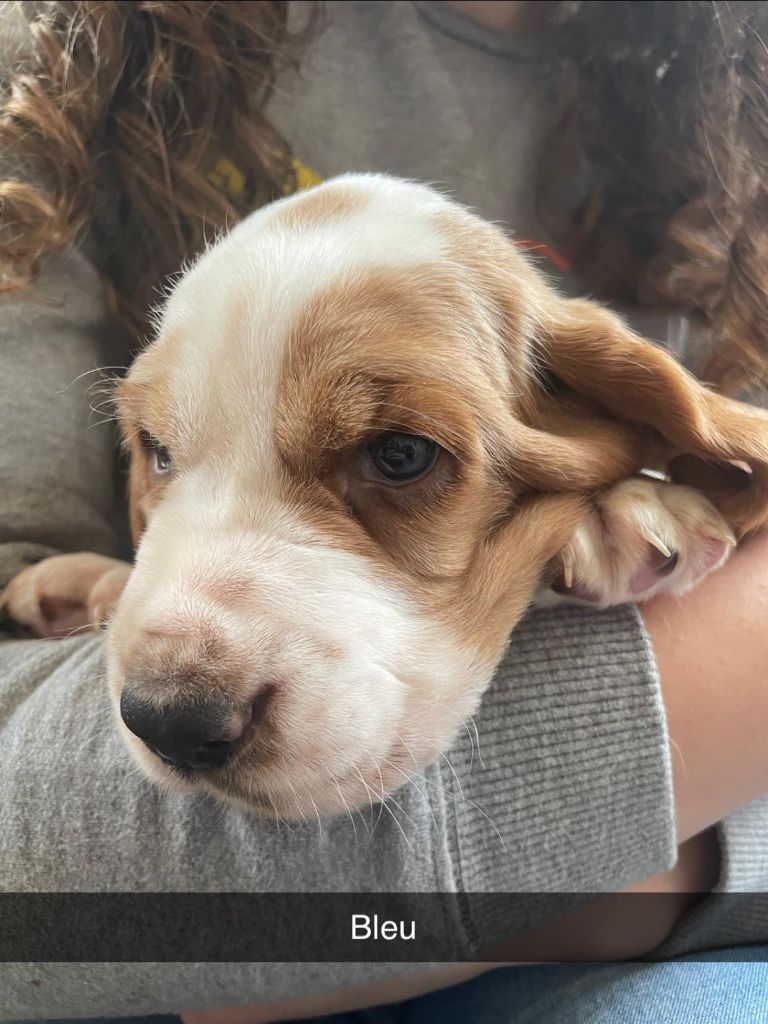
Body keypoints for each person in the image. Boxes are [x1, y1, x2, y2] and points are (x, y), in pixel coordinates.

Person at [1, 1, 767, 1020]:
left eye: (398, 457)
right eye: (164, 449)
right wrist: (629, 872)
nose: (174, 678)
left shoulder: (733, 111)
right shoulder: (64, 71)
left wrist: (646, 895)